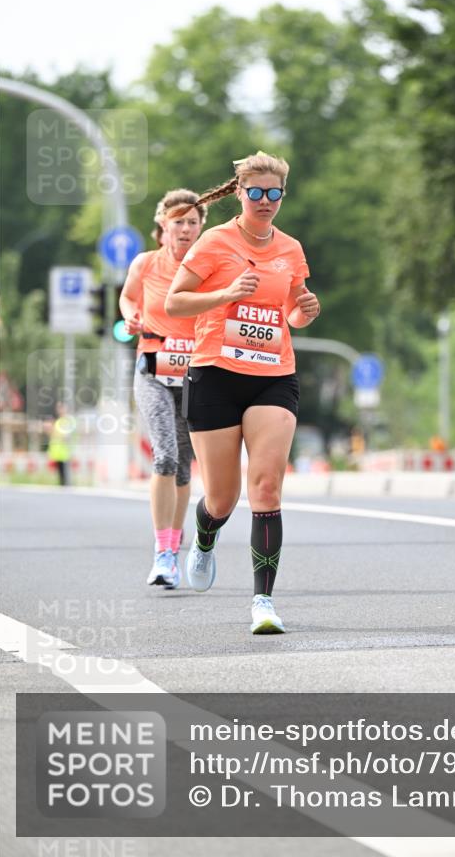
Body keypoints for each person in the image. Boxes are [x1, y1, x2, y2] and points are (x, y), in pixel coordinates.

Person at [165, 151, 320, 634]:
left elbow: (290, 312)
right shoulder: (215, 242)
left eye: (275, 193)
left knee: (267, 487)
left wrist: (304, 313)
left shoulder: (291, 249)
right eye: (256, 192)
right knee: (223, 498)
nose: (266, 201)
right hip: (214, 373)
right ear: (239, 192)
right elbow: (175, 302)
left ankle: (263, 601)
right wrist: (226, 294)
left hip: (274, 373)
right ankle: (205, 536)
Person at [119, 190, 206, 589]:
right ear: (163, 227)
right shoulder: (146, 263)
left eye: (192, 222)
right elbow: (127, 296)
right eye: (178, 222)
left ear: (201, 226)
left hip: (195, 373)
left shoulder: (209, 267)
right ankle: (164, 554)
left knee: (185, 466)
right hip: (152, 366)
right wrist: (131, 316)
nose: (185, 229)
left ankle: (175, 537)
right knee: (166, 456)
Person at [47, 401, 75, 485]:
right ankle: (63, 486)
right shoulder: (58, 422)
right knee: (61, 474)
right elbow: (54, 436)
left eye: (61, 408)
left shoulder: (67, 421)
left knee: (65, 474)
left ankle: (67, 486)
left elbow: (67, 436)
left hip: (65, 452)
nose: (59, 410)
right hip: (58, 452)